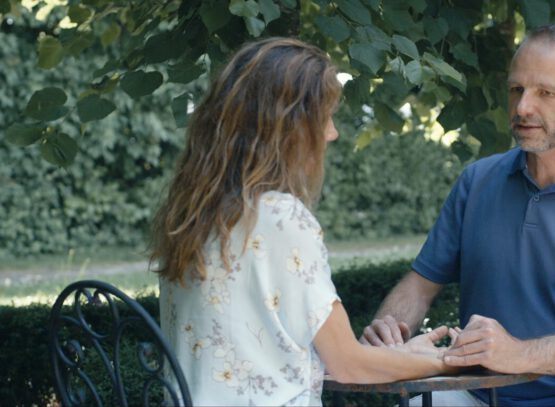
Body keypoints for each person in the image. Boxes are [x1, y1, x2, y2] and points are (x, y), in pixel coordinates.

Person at [360, 23, 555, 407]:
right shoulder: (477, 181)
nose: (523, 107)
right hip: (478, 393)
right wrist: (389, 332)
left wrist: (519, 354)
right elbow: (420, 286)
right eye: (516, 89)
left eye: (545, 93)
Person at [150, 37, 455, 406]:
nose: (332, 133)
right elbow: (349, 365)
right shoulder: (281, 217)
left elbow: (269, 350)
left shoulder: (191, 215)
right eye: (324, 117)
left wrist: (405, 357)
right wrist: (445, 361)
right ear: (289, 126)